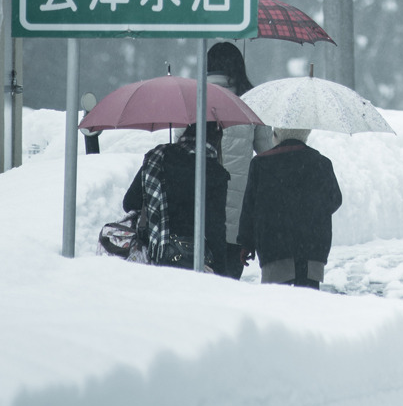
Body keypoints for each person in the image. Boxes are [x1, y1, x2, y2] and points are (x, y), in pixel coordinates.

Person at [237, 128, 342, 288]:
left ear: (277, 135)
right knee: (307, 303)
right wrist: (312, 214)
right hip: (312, 247)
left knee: (276, 304)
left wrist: (246, 243)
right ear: (305, 134)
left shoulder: (261, 163)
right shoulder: (321, 162)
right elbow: (335, 199)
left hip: (274, 245)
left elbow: (250, 207)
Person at [123, 122, 230, 270]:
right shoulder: (215, 174)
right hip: (192, 259)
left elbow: (129, 203)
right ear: (216, 139)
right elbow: (215, 228)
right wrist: (221, 269)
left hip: (153, 257)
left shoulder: (158, 157)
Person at [206, 40, 272, 279]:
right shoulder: (251, 103)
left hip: (199, 216)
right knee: (229, 287)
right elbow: (268, 154)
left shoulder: (193, 100)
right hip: (236, 224)